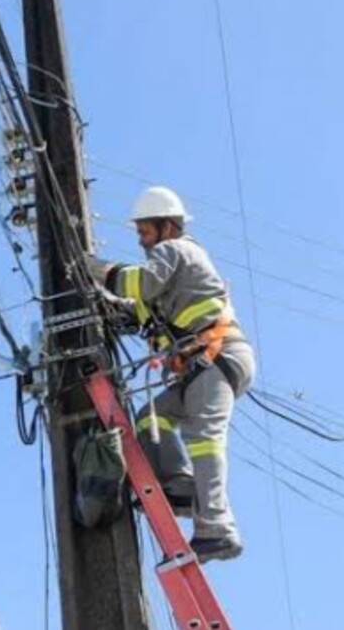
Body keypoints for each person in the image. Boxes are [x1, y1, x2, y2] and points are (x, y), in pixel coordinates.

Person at [87, 186, 256, 563]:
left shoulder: (175, 250)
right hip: (202, 365)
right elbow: (139, 309)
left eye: (145, 231)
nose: (141, 240)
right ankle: (179, 485)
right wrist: (108, 307)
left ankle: (217, 528)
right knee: (152, 417)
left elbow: (141, 284)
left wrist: (100, 270)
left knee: (204, 437)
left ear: (167, 226)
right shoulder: (168, 278)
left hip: (217, 357)